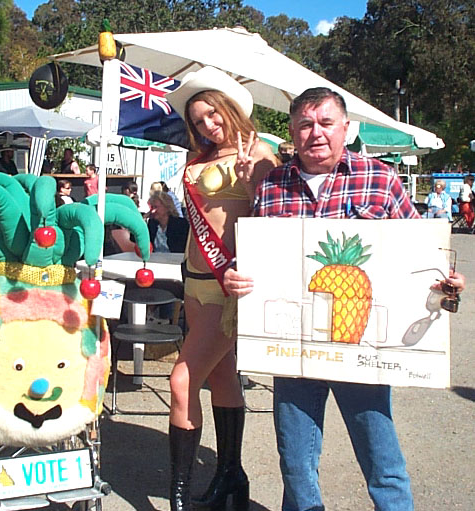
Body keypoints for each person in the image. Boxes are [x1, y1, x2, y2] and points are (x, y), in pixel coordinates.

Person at [223, 87, 466, 511]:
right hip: (293, 350)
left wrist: (445, 280)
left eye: (325, 123)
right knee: (295, 461)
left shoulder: (380, 178)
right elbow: (255, 259)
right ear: (292, 132)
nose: (315, 133)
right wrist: (235, 276)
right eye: (305, 125)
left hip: (363, 350)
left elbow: (422, 251)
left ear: (346, 128)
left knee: (381, 459)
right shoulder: (272, 186)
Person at [163, 66, 279, 511]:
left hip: (224, 284)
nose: (209, 125)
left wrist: (253, 180)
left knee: (181, 381)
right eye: (198, 121)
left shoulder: (259, 152)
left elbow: (275, 217)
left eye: (213, 114)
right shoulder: (199, 159)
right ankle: (231, 475)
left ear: (229, 108)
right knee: (221, 374)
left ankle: (178, 496)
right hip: (193, 281)